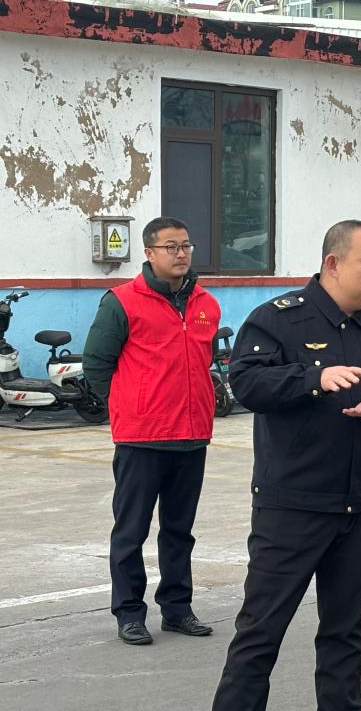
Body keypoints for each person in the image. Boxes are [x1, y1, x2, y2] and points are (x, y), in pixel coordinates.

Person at [212, 220, 361, 710]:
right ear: (333, 264)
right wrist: (313, 378)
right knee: (260, 633)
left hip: (358, 506)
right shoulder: (278, 320)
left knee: (345, 634)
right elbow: (247, 383)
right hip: (293, 507)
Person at [84, 216, 220, 646]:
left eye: (186, 246)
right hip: (141, 438)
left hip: (192, 435)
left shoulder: (206, 303)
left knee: (179, 531)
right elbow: (96, 363)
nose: (181, 254)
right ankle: (129, 613)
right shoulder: (122, 302)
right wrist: (128, 405)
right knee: (131, 530)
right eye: (170, 247)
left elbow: (201, 363)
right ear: (149, 253)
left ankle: (177, 609)